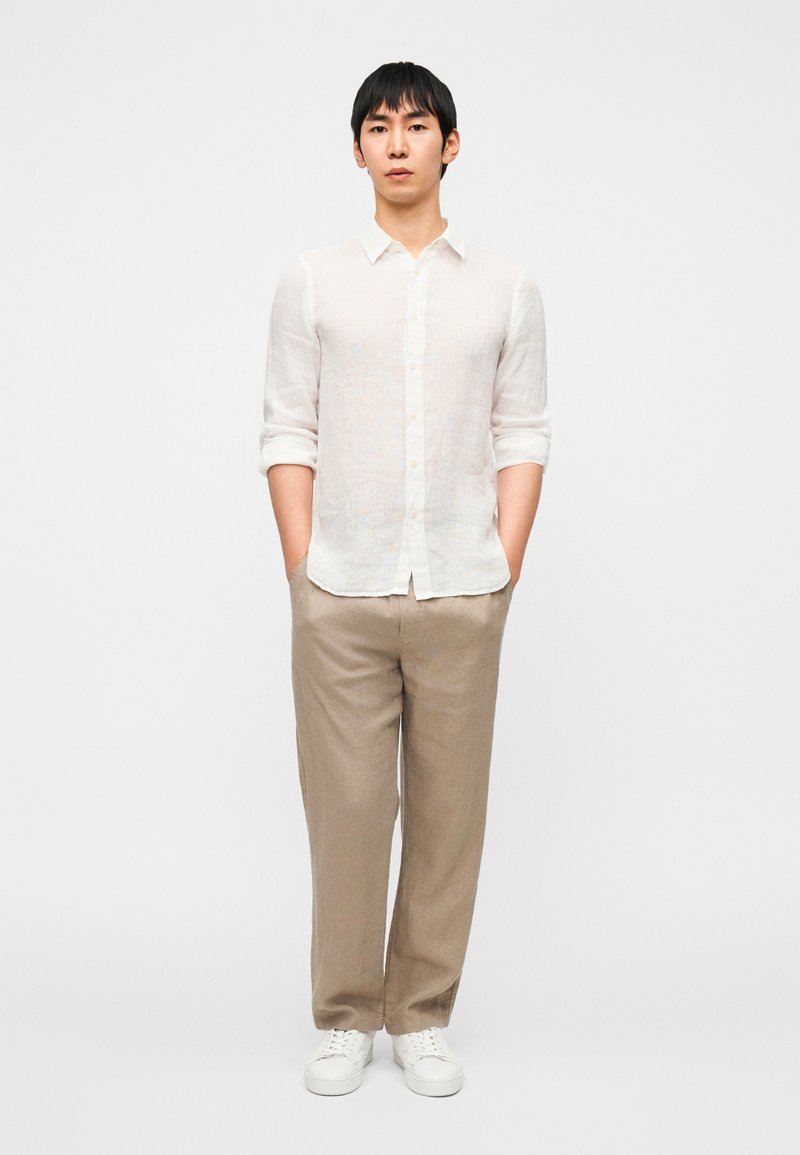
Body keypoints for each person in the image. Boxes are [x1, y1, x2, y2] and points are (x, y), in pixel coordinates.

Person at [257, 60, 550, 1097]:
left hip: (462, 589)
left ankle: (420, 1013)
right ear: (356, 150)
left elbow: (523, 432)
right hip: (339, 591)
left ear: (449, 145)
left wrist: (502, 569)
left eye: (415, 125)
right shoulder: (313, 280)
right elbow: (287, 428)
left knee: (447, 815)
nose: (395, 141)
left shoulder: (505, 287)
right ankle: (345, 1016)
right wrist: (304, 572)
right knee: (345, 813)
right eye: (377, 126)